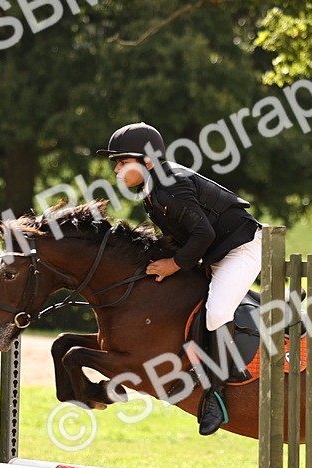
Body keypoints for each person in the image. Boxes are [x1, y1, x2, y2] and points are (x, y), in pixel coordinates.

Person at [98, 122, 262, 436]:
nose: (117, 170)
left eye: (122, 162)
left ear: (146, 160)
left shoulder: (170, 183)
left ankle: (216, 394)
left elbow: (204, 233)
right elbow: (180, 236)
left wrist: (173, 265)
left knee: (216, 313)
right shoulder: (151, 188)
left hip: (240, 247)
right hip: (214, 250)